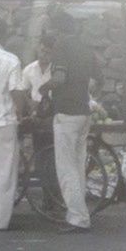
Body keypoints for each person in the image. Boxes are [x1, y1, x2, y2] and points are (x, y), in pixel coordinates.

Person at [39, 12, 104, 233]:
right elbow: (96, 81)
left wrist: (44, 87)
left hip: (66, 113)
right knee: (77, 167)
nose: (47, 32)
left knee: (66, 169)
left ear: (57, 30)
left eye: (49, 28)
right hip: (84, 113)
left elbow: (59, 78)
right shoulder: (85, 48)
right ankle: (81, 214)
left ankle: (77, 218)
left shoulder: (61, 47)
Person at [0, 17, 25, 230]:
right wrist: (21, 113)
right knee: (3, 172)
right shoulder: (10, 60)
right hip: (3, 121)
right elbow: (17, 93)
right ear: (4, 35)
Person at [23, 32, 59, 212]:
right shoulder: (29, 70)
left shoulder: (58, 70)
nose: (43, 55)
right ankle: (47, 197)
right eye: (42, 51)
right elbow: (22, 92)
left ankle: (57, 197)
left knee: (55, 159)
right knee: (41, 158)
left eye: (47, 52)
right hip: (38, 117)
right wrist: (30, 106)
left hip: (54, 116)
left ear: (53, 53)